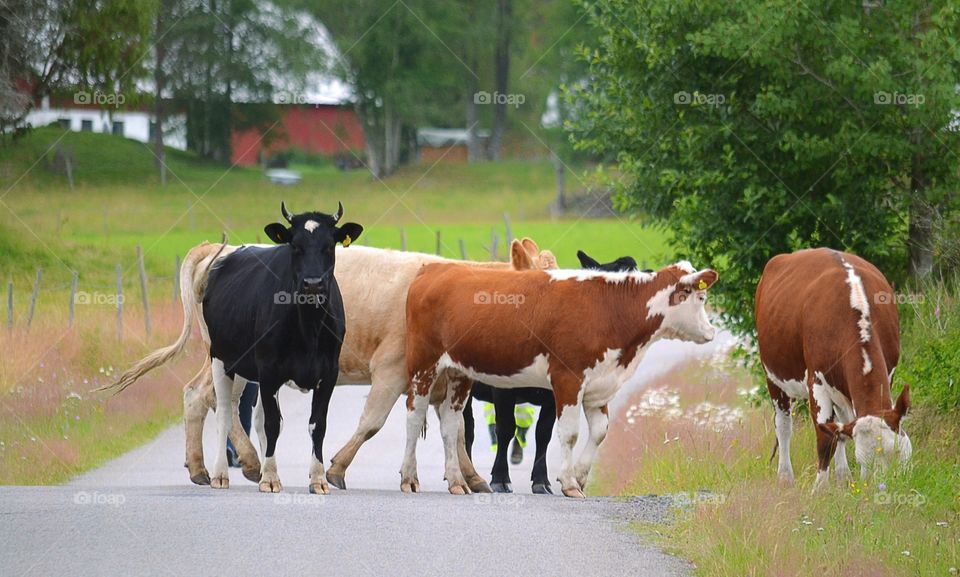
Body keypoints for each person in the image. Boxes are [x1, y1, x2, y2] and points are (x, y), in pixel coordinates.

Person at [226, 380, 259, 468]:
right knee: (245, 414)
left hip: (233, 376)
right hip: (250, 379)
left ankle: (229, 446)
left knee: (231, 412)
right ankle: (241, 452)